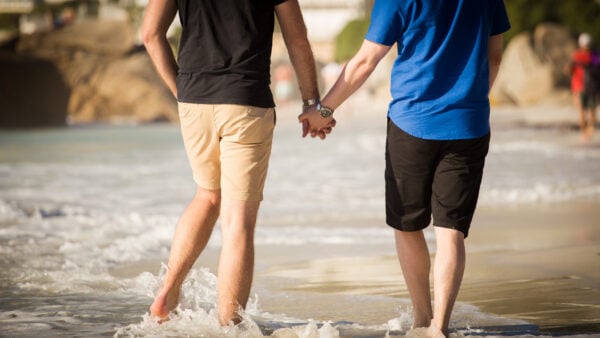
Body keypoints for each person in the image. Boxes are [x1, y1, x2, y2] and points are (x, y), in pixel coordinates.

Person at [299, 0, 509, 336]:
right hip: (469, 124)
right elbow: (495, 54)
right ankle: (439, 327)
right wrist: (470, 100)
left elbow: (365, 61)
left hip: (413, 123)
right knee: (450, 232)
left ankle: (422, 319)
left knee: (407, 225)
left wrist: (323, 111)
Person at [141, 0, 334, 326]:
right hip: (245, 99)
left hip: (194, 99)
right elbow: (297, 38)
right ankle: (229, 328)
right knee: (237, 223)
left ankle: (168, 290)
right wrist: (312, 102)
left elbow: (150, 33)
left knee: (206, 194)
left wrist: (181, 91)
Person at [569, 33, 599, 141]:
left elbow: (568, 71)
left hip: (579, 87)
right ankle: (589, 132)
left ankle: (585, 134)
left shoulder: (577, 56)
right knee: (592, 111)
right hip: (592, 87)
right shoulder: (595, 56)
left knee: (582, 112)